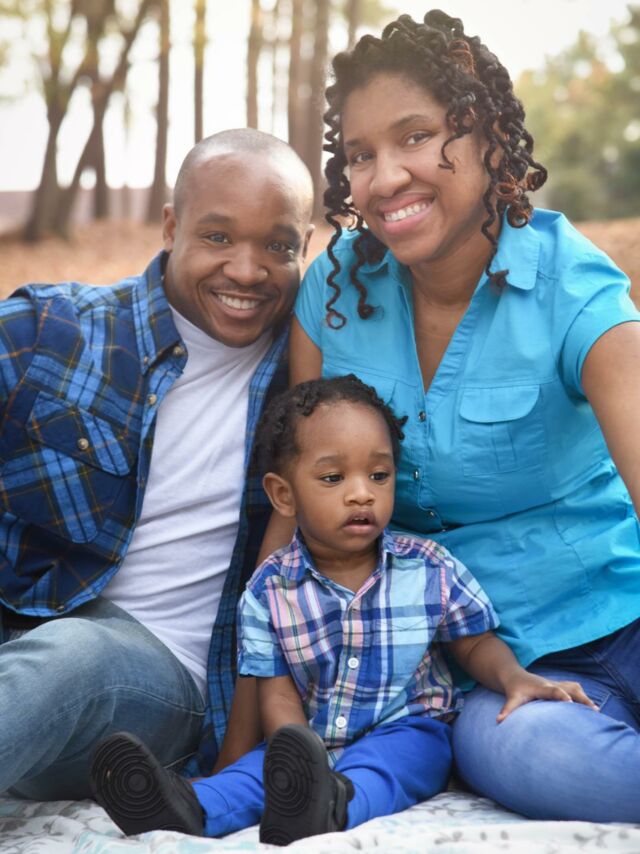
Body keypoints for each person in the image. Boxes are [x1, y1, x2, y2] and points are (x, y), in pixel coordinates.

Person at [277, 9, 640, 824]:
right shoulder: (332, 292)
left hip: (625, 610)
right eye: (361, 155)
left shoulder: (576, 290)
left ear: (487, 136)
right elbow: (296, 501)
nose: (385, 178)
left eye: (416, 137)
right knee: (523, 754)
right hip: (496, 668)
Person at [89, 375, 594, 843]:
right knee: (257, 772)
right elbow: (275, 690)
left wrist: (513, 678)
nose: (361, 494)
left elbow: (475, 643)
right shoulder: (269, 589)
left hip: (409, 728)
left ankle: (333, 805)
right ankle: (187, 806)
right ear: (283, 495)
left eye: (379, 475)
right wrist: (291, 752)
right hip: (311, 739)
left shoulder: (428, 567)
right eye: (333, 478)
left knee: (386, 767)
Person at [0, 128, 314, 800]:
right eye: (219, 236)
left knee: (74, 657)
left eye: (278, 246)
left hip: (157, 683)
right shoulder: (49, 333)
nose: (247, 271)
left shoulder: (308, 385)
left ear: (305, 249)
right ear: (172, 228)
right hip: (19, 631)